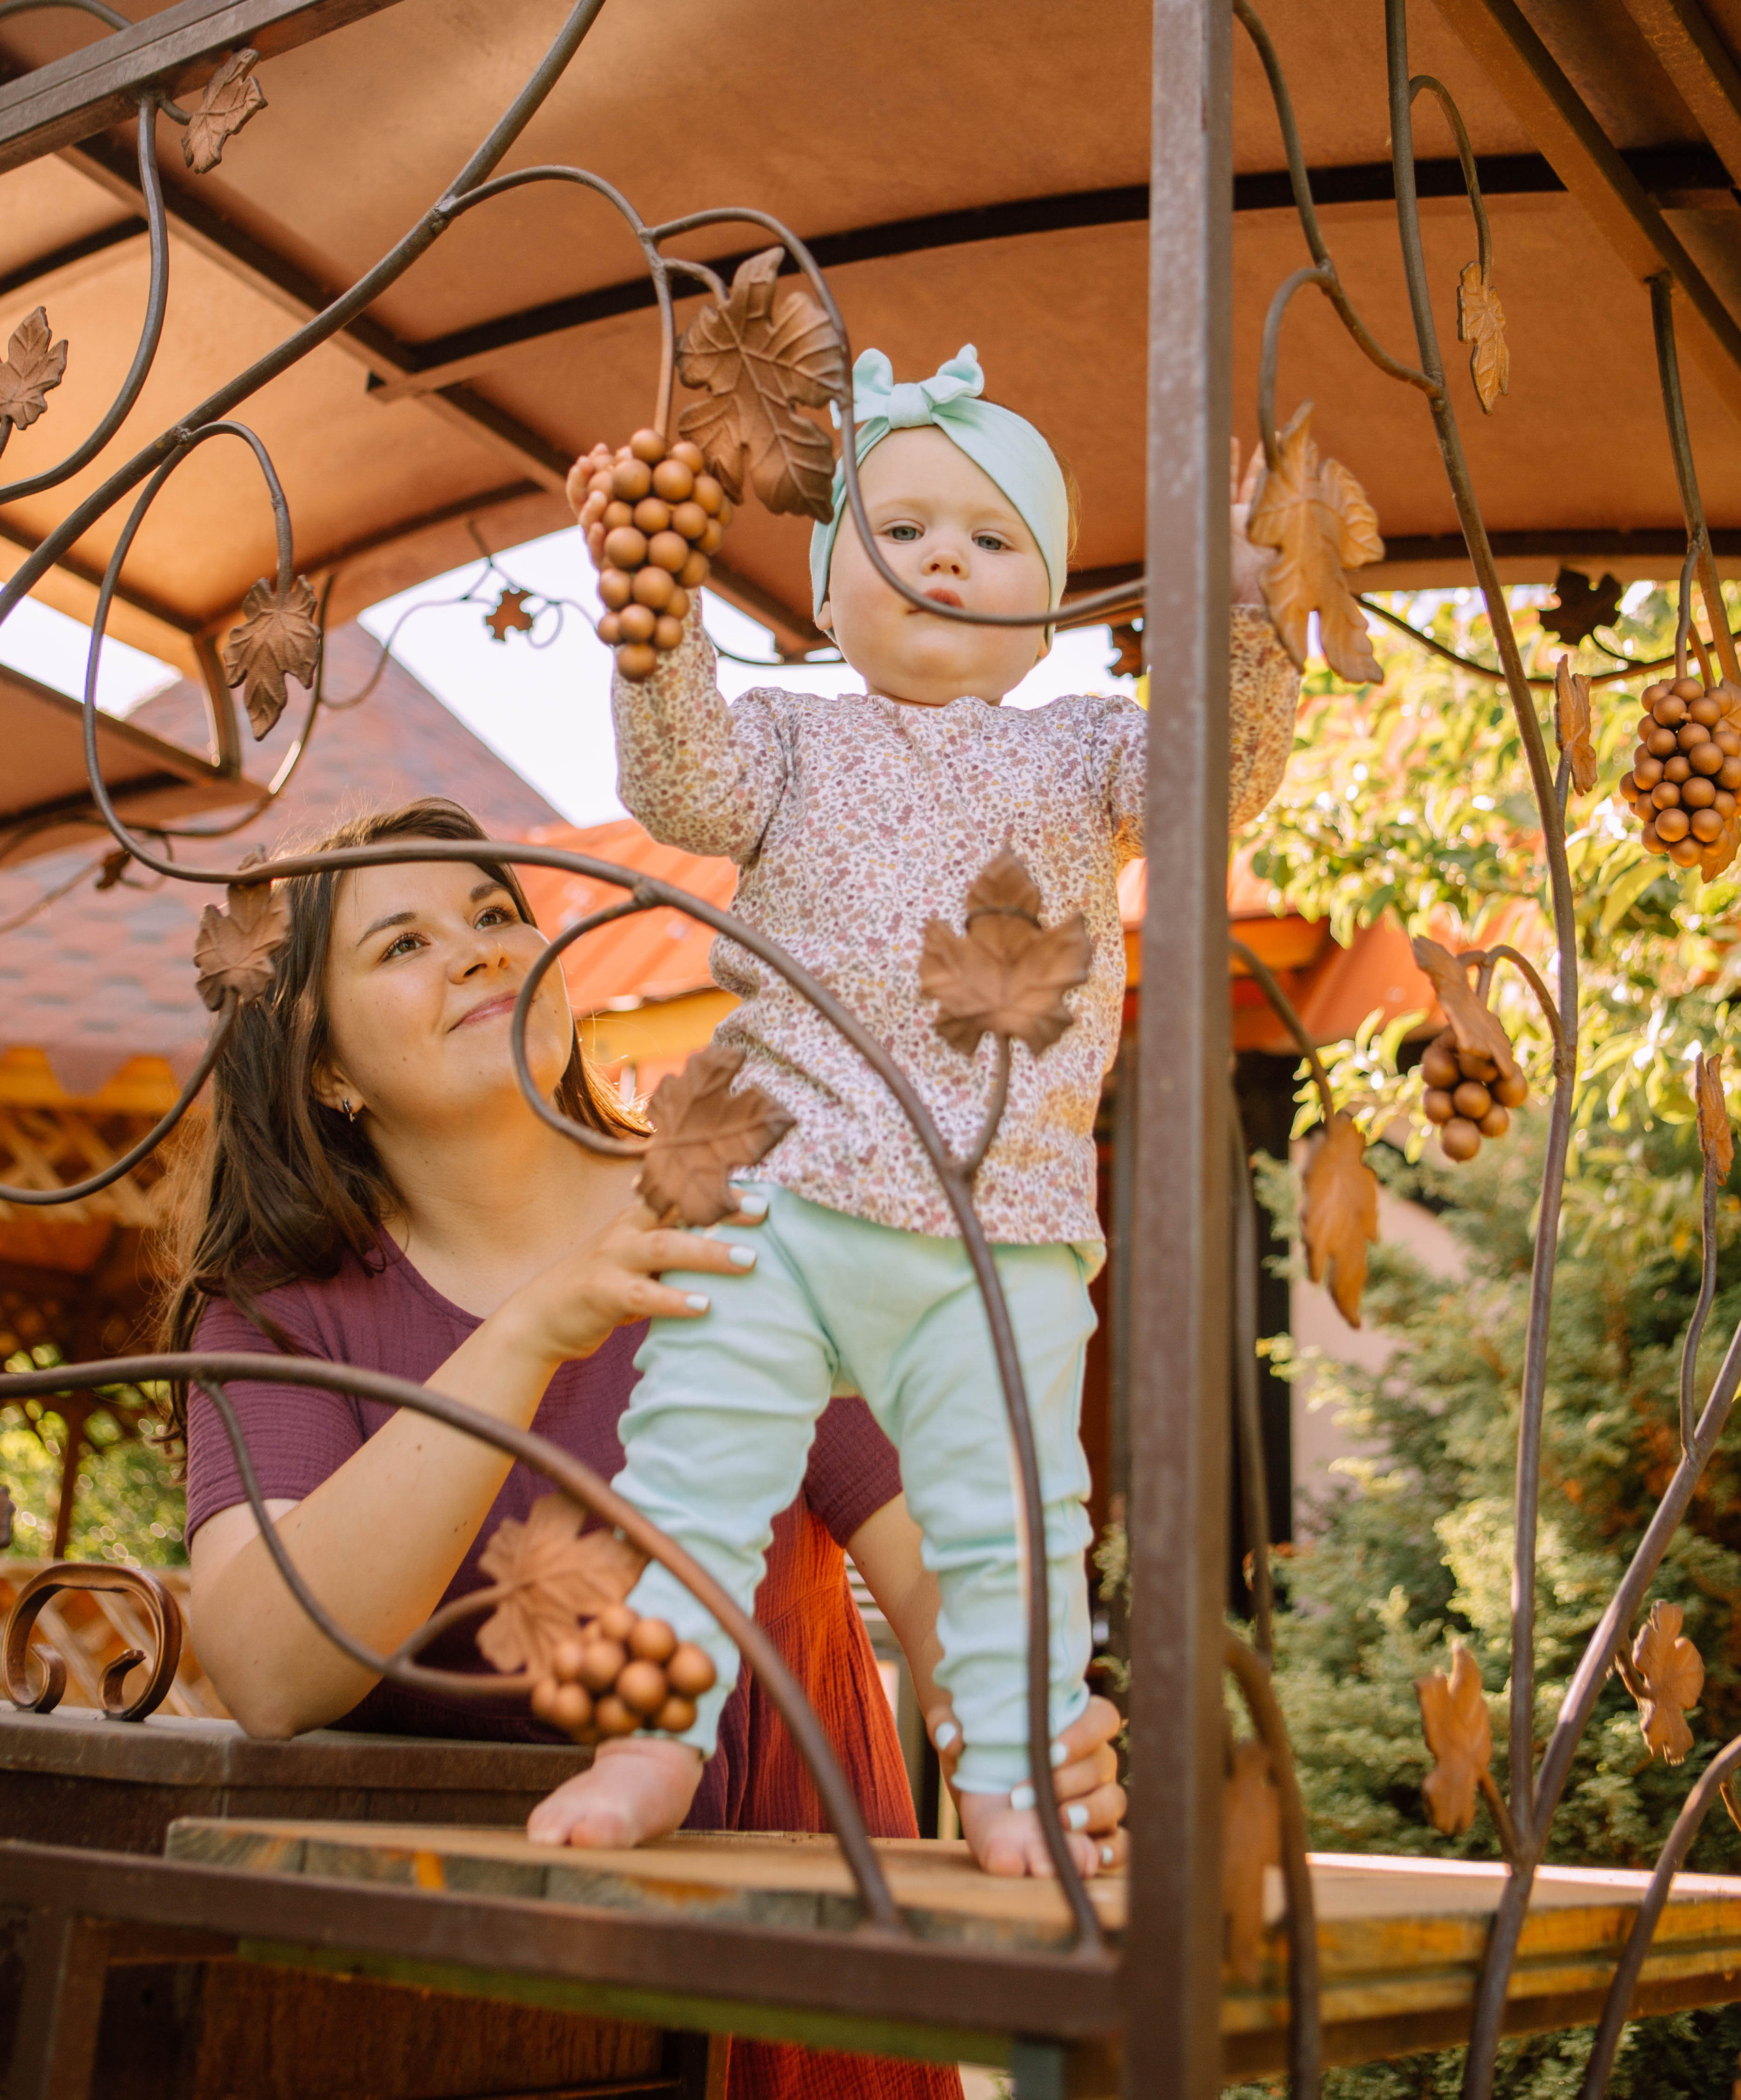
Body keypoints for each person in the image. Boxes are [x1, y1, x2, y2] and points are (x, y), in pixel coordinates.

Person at [167, 796, 1125, 2100]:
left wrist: (1012, 1721)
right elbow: (271, 1668)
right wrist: (532, 1333)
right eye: (404, 945)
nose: (484, 952)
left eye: (499, 916)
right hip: (427, 2004)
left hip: (773, 1983)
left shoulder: (750, 1230)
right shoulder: (279, 1314)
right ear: (326, 1069)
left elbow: (941, 1567)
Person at [546, 348, 1298, 1878]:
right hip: (778, 1192)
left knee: (1007, 1515)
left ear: (1049, 597)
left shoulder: (1080, 747)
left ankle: (1010, 1778)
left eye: (991, 536)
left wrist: (1243, 614)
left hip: (996, 1222)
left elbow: (1211, 784)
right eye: (900, 531)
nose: (946, 555)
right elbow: (681, 787)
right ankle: (652, 1744)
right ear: (828, 586)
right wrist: (656, 616)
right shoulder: (789, 740)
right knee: (690, 1461)